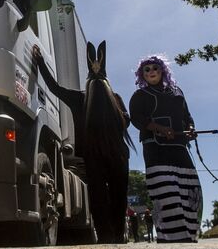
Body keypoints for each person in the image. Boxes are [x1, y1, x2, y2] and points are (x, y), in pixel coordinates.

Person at [32, 43, 132, 243]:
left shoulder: (79, 98)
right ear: (107, 81)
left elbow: (54, 88)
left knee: (98, 198)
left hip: (94, 157)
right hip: (118, 156)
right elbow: (126, 122)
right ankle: (119, 237)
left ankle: (105, 238)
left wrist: (40, 61)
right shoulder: (116, 98)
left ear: (88, 79)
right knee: (118, 198)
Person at [129, 55, 201, 243]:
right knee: (167, 193)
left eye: (155, 68)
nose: (151, 71)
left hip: (180, 148)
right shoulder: (140, 95)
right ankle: (170, 240)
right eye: (147, 69)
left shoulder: (177, 91)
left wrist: (191, 129)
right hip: (156, 150)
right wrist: (159, 129)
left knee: (191, 191)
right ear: (142, 74)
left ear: (163, 70)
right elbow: (137, 118)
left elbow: (188, 115)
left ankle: (189, 237)